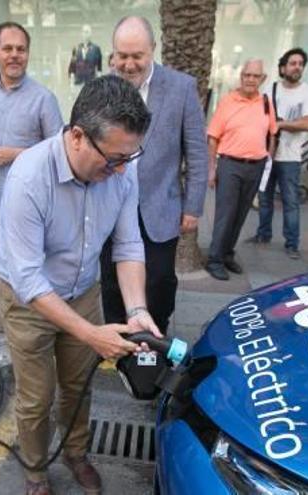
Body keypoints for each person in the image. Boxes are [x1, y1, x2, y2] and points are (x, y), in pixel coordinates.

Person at [0, 75, 160, 495]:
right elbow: (28, 279)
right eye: (114, 159)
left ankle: (76, 453)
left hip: (83, 291)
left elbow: (127, 245)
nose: (122, 169)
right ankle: (35, 472)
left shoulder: (123, 163)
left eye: (130, 156)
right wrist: (91, 335)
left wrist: (137, 312)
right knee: (35, 400)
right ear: (78, 136)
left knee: (77, 387)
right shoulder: (28, 177)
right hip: (27, 302)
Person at [100, 16, 208, 333]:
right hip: (110, 203)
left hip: (160, 206)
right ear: (113, 53)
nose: (129, 64)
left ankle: (156, 333)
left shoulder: (181, 87)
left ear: (153, 50)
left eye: (137, 56)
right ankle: (118, 340)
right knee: (109, 277)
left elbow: (197, 151)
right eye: (122, 55)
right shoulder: (104, 88)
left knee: (159, 279)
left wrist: (193, 206)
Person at [0, 22, 64, 246]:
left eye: (21, 49)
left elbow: (59, 151)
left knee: (31, 268)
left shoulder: (44, 98)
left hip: (31, 203)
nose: (14, 55)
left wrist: (15, 154)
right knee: (3, 264)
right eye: (8, 49)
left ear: (28, 54)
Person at [205, 60, 278, 281]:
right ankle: (214, 259)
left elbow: (273, 133)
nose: (250, 79)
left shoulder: (266, 102)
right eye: (247, 75)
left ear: (262, 79)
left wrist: (268, 160)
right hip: (230, 165)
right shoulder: (228, 101)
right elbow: (212, 137)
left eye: (255, 76)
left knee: (241, 214)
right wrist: (212, 169)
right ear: (241, 76)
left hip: (255, 166)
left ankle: (227, 254)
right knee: (225, 215)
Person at [251, 48, 308, 260]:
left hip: (291, 156)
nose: (297, 67)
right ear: (283, 67)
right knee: (265, 197)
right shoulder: (271, 89)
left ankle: (292, 243)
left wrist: (280, 124)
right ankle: (263, 234)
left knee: (290, 201)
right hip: (268, 153)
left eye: (300, 63)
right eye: (292, 63)